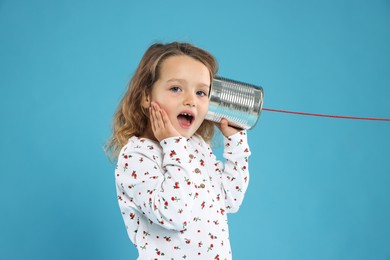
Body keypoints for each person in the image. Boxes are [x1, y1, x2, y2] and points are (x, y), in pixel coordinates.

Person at [106, 42, 251, 259]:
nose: (191, 100)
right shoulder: (136, 156)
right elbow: (175, 214)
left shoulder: (197, 146)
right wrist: (172, 144)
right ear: (146, 96)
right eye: (176, 88)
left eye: (201, 92)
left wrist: (236, 141)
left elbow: (230, 199)